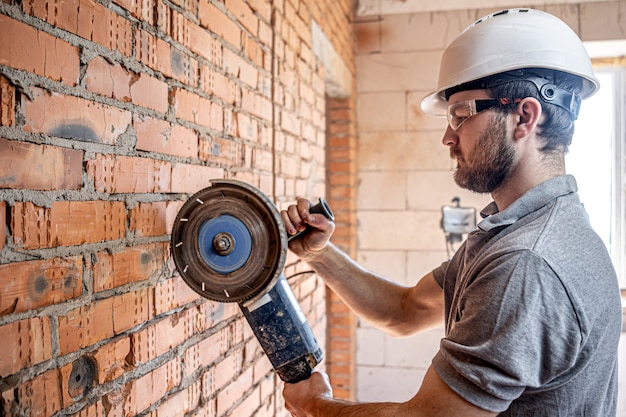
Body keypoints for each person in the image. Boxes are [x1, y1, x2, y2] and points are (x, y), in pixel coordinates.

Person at [279, 8, 622, 417]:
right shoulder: (521, 233)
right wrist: (319, 253)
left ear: (524, 117)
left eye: (461, 114)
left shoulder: (526, 263)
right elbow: (404, 311)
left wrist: (315, 406)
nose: (447, 135)